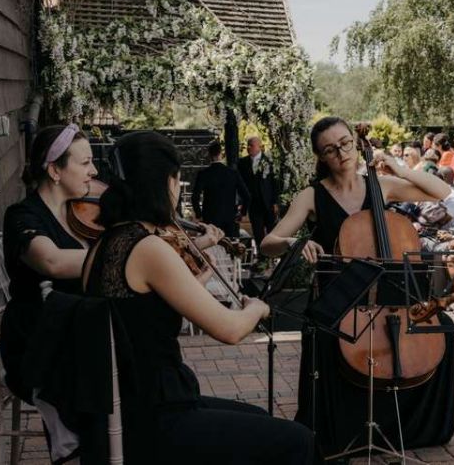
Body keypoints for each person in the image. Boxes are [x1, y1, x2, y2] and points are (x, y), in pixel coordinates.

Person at [77, 131, 316, 464]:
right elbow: (230, 330)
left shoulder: (106, 242)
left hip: (124, 407)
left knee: (258, 417)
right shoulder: (148, 248)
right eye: (176, 181)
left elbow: (147, 311)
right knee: (298, 441)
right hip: (154, 417)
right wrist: (258, 308)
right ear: (166, 183)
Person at [259, 116, 454, 456]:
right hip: (339, 299)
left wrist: (397, 166)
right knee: (325, 338)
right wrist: (294, 242)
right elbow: (268, 242)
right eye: (330, 149)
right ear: (321, 157)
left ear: (355, 141)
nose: (341, 153)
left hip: (388, 295)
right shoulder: (312, 196)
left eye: (346, 143)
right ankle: (340, 429)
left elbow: (444, 194)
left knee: (444, 329)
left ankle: (412, 427)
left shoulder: (380, 185)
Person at [1, 124, 97, 404]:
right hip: (38, 344)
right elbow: (51, 261)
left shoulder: (81, 213)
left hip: (76, 333)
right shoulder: (22, 216)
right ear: (54, 171)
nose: (94, 171)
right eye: (85, 163)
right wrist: (123, 256)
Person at [192, 141, 250, 238]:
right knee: (231, 248)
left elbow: (195, 197)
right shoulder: (232, 173)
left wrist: (199, 214)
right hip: (230, 218)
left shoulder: (204, 174)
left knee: (211, 249)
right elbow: (246, 196)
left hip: (210, 219)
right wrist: (242, 213)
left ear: (209, 155)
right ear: (221, 154)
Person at [237, 136, 279, 249]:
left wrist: (275, 202)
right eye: (248, 145)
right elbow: (240, 185)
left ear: (259, 146)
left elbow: (274, 183)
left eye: (252, 145)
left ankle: (273, 256)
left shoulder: (269, 162)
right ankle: (262, 259)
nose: (249, 147)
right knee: (258, 233)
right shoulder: (242, 163)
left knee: (272, 231)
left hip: (268, 203)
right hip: (253, 204)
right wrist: (241, 202)